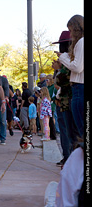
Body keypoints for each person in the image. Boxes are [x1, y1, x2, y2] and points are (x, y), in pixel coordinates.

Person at [52, 30, 80, 167]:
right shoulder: (66, 61)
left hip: (68, 100)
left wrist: (59, 68)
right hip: (63, 101)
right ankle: (67, 158)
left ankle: (71, 160)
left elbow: (62, 82)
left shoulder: (71, 60)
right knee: (66, 132)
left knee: (71, 133)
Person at [55, 14, 84, 138]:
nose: (71, 34)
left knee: (80, 132)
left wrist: (62, 58)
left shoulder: (81, 42)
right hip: (77, 89)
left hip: (79, 88)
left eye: (71, 30)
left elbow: (77, 67)